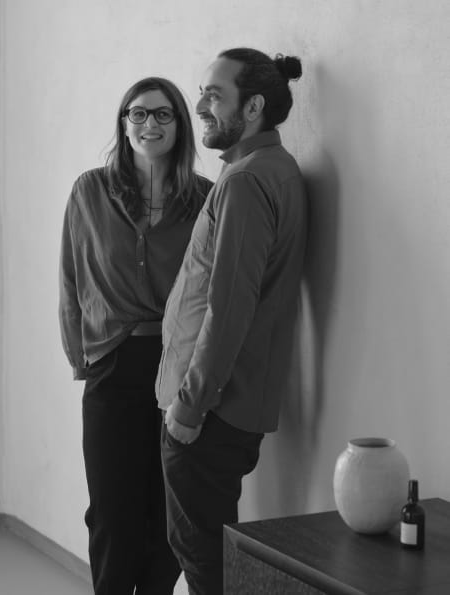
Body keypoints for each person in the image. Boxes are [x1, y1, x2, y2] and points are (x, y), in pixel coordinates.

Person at [156, 48, 308, 594]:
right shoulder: (268, 170)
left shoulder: (247, 180)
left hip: (210, 410)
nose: (200, 106)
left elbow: (230, 307)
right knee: (210, 555)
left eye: (214, 95)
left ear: (254, 107)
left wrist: (190, 405)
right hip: (227, 403)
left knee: (203, 561)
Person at [59, 77, 213, 595]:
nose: (150, 124)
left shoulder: (205, 198)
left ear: (180, 124)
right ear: (124, 124)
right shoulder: (89, 191)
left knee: (167, 511)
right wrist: (80, 355)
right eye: (139, 113)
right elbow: (71, 279)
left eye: (163, 114)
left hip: (179, 367)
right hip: (112, 362)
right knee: (110, 510)